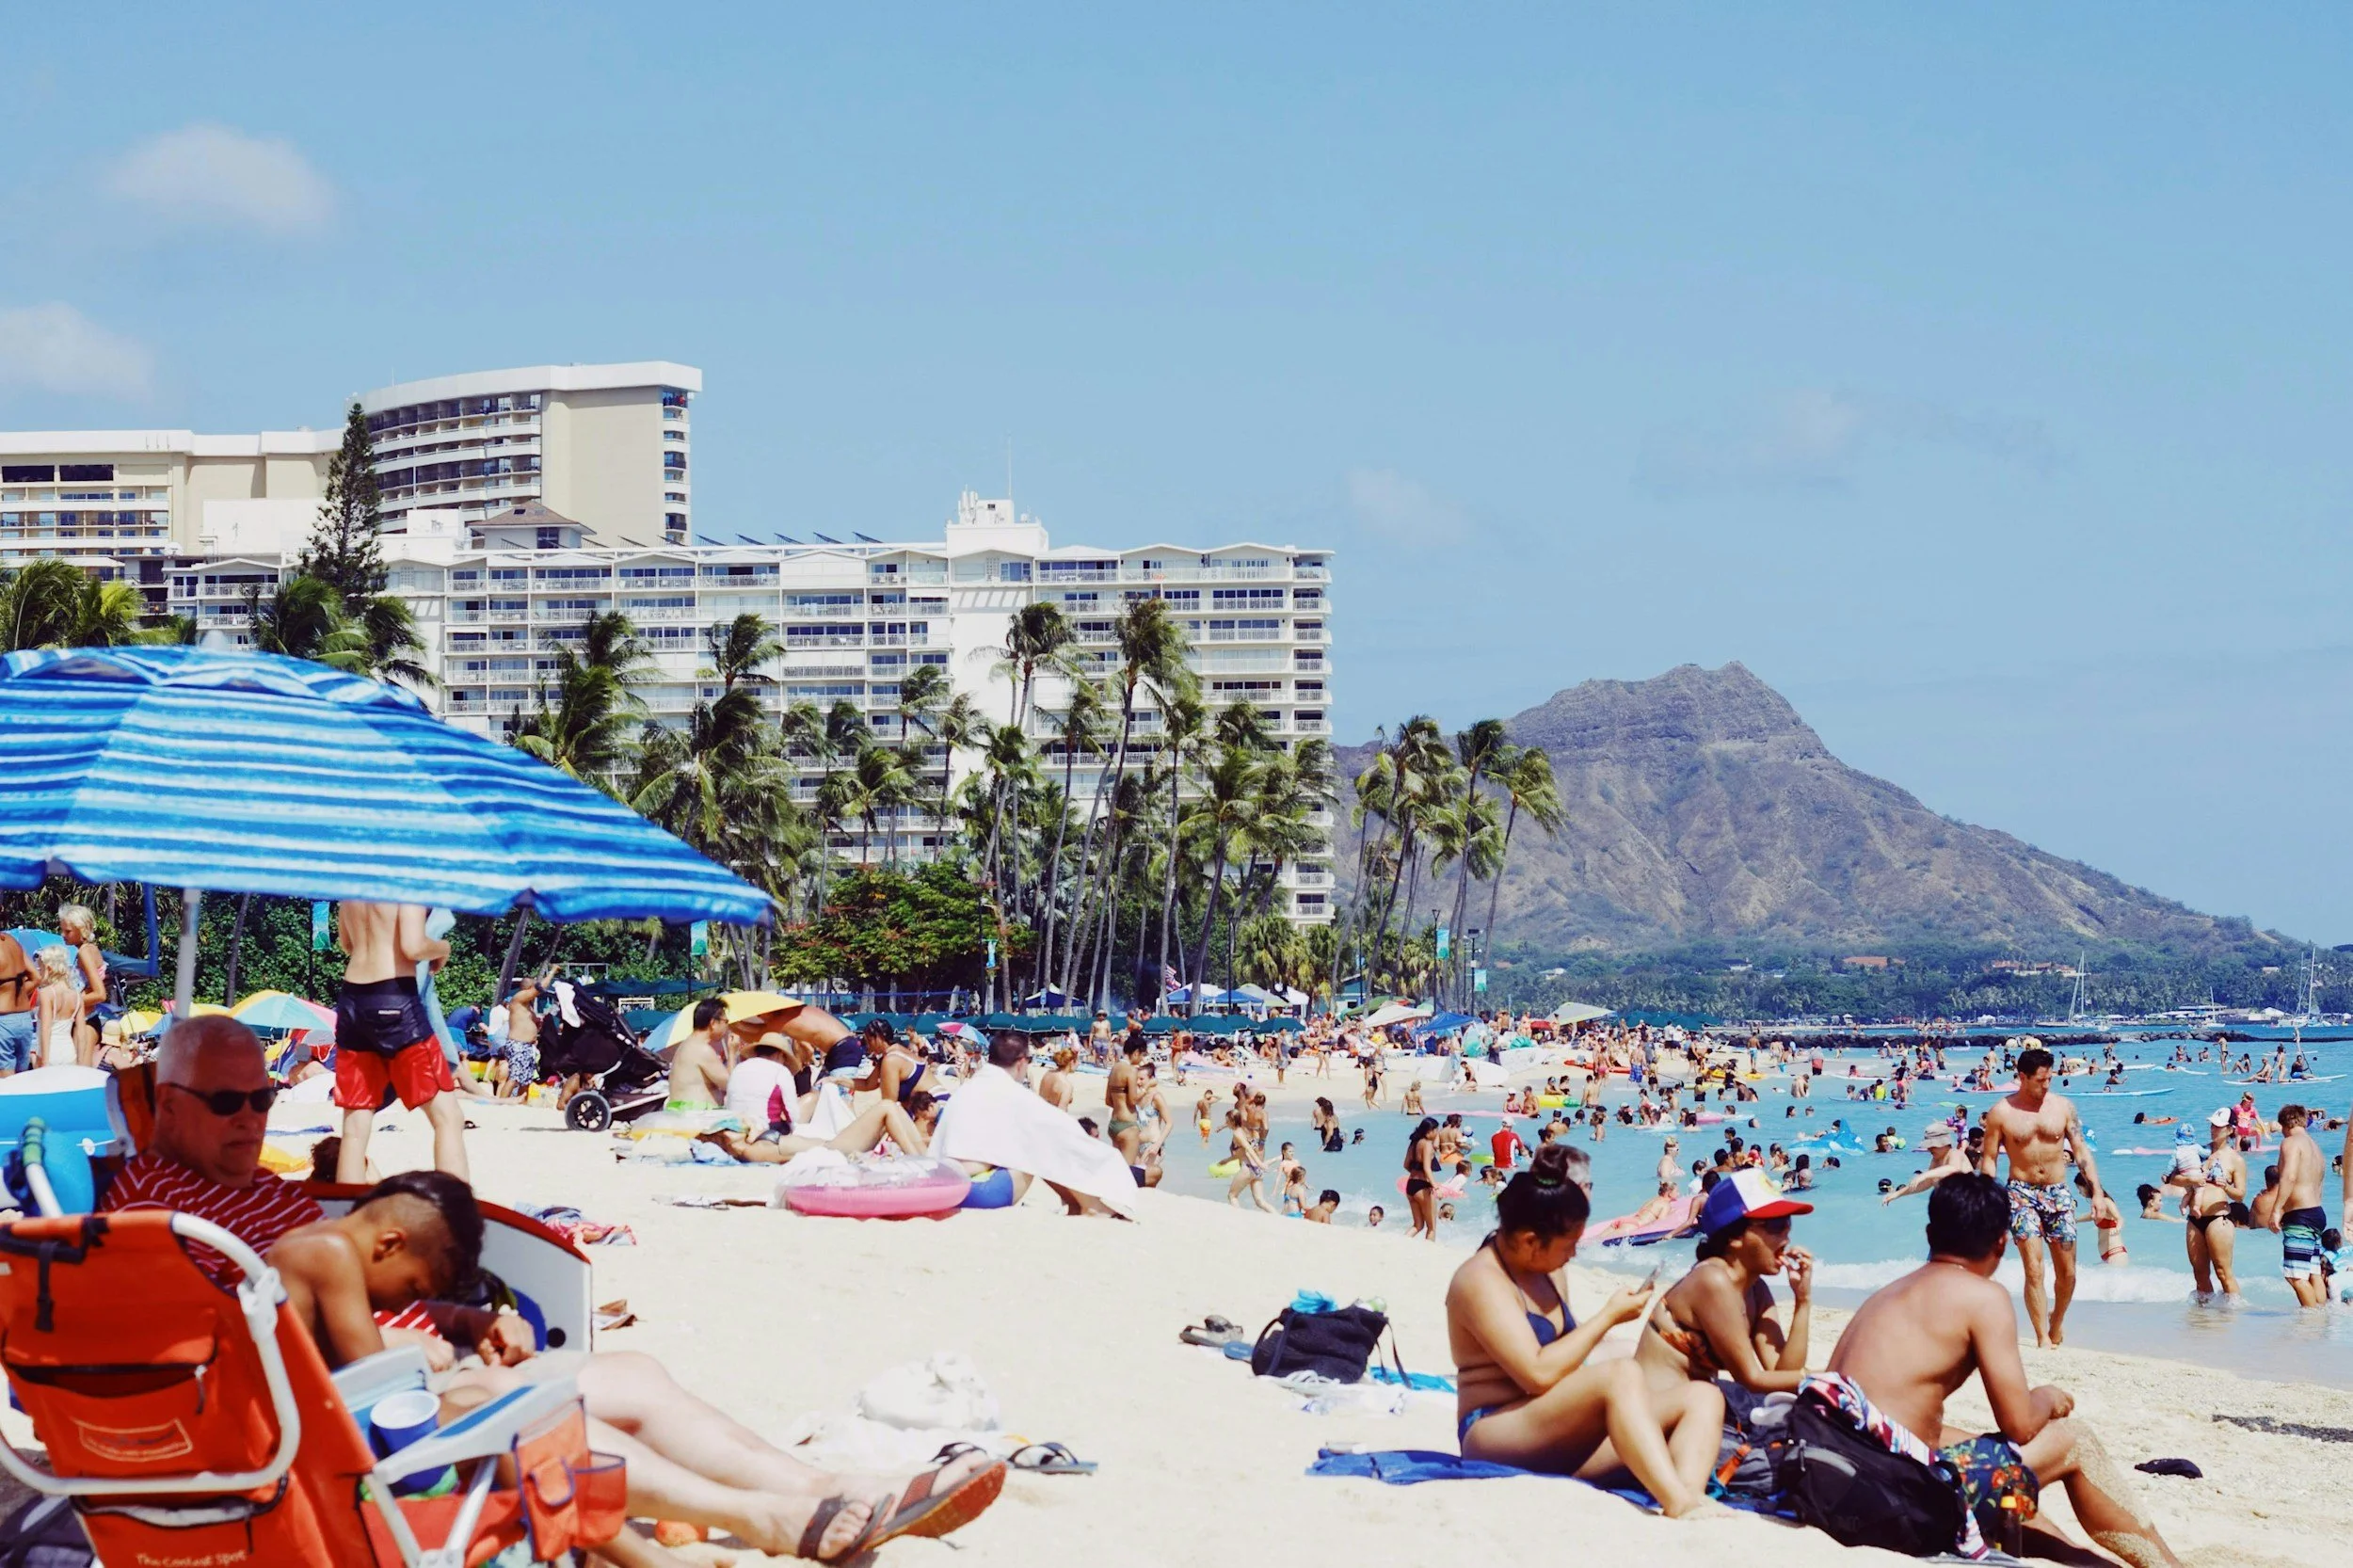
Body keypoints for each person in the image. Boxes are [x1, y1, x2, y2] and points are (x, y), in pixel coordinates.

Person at [1818, 1175, 2184, 1566]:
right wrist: (2048, 1397)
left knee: (1989, 1460)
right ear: (2002, 1242)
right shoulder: (1982, 1297)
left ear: (1930, 1233)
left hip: (1835, 1484)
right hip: (1892, 1498)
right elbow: (2020, 1425)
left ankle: (2084, 1561)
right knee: (2074, 1440)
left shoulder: (1888, 1294)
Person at [1445, 1144, 1723, 1516]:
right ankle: (1677, 1501)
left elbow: (1571, 1350)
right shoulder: (1480, 1280)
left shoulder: (1549, 1267)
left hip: (1558, 1428)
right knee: (1619, 1375)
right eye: (1570, 1244)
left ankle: (1687, 1496)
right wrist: (1607, 1316)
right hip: (1497, 1432)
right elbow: (1537, 1373)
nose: (1574, 1254)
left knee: (1701, 1396)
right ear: (1530, 1241)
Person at [1636, 1168, 1814, 1397]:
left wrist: (1803, 1300)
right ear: (1735, 1237)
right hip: (1649, 1408)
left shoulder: (1756, 1290)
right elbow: (1751, 1379)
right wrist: (1827, 1377)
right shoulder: (1712, 1280)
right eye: (1776, 1224)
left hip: (1691, 1408)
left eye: (1787, 1222)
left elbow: (1782, 1371)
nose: (1787, 1235)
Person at [332, 901, 466, 1185]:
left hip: (352, 999)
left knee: (356, 1125)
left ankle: (348, 1212)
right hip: (393, 997)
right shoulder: (405, 881)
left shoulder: (349, 889)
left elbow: (346, 943)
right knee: (448, 1118)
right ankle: (455, 1214)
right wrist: (443, 949)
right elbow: (413, 947)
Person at [1977, 1046, 2102, 1347]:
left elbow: (2081, 1151)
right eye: (2040, 1080)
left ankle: (2056, 1322)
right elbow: (1990, 1157)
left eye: (2050, 1079)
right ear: (2022, 1077)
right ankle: (2042, 1337)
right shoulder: (2001, 1112)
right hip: (2020, 1193)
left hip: (2058, 1192)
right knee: (2033, 1267)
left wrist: (2096, 1192)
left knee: (2068, 1273)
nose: (2046, 1085)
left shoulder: (2063, 1108)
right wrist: (1986, 1195)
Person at [2172, 1109, 2247, 1304]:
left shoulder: (2235, 1159)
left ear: (2230, 1130)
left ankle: (2233, 1317)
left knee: (2223, 1272)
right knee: (2199, 1274)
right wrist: (2190, 1178)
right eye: (2212, 1125)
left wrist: (2226, 1186)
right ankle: (2204, 1321)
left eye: (2219, 1126)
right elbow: (2173, 1178)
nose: (2213, 1129)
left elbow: (2240, 1195)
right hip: (2195, 1219)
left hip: (2218, 1218)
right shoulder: (2196, 1150)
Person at [2272, 1103, 2329, 1307]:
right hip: (2316, 1213)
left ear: (2284, 1124)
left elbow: (2289, 1176)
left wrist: (2277, 1209)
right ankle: (2324, 1317)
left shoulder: (2291, 1142)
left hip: (2299, 1216)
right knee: (2313, 1272)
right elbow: (2320, 1183)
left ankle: (2312, 1322)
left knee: (2295, 1276)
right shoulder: (2315, 1147)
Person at [56, 903, 107, 1063]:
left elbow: (100, 994)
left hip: (85, 1022)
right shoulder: (91, 949)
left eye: (68, 931)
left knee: (80, 1073)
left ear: (82, 929)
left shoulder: (84, 952)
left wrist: (67, 1002)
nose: (63, 935)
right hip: (88, 1019)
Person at [665, 997, 732, 1111]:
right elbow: (730, 1084)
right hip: (698, 1117)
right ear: (713, 1023)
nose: (727, 1026)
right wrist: (732, 1052)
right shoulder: (702, 1049)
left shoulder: (686, 1045)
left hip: (683, 1114)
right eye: (726, 1021)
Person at [1881, 1123, 1970, 1205]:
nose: (1929, 1149)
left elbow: (1953, 1169)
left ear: (1944, 1143)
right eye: (1928, 1146)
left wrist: (1925, 1175)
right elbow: (1925, 1183)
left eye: (1933, 1146)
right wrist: (1897, 1194)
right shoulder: (1936, 1160)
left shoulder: (1955, 1153)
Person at [32, 946, 80, 1072]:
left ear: (49, 969)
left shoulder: (46, 993)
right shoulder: (76, 995)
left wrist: (44, 1061)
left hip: (50, 1053)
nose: (40, 973)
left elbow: (46, 1028)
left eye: (40, 969)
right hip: (69, 1052)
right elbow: (81, 1032)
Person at [1104, 1034, 1146, 1164]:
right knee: (1128, 1172)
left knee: (1117, 1168)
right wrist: (1145, 1089)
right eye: (1142, 1055)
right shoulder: (1131, 1070)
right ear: (1136, 1052)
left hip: (1114, 1124)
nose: (1142, 1059)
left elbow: (1108, 1100)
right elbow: (1133, 1101)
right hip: (1127, 1125)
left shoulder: (1115, 1068)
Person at [0, 932, 35, 1077]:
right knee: (22, 1082)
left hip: (3, 1022)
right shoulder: (12, 941)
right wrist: (16, 993)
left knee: (6, 1088)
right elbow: (36, 977)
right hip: (24, 1019)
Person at [2076, 1171, 2127, 1265]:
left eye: (2080, 1188)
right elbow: (2092, 1216)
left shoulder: (2106, 1201)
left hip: (2116, 1253)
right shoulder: (2097, 1204)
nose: (2079, 1192)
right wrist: (2076, 1220)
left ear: (2087, 1186)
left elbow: (2120, 1218)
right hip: (2107, 1256)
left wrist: (2117, 1228)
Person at [1404, 1115, 1440, 1240]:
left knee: (1418, 1225)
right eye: (1436, 1130)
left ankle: (1401, 1242)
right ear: (1430, 1131)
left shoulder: (1414, 1143)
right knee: (1431, 1228)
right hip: (1423, 1187)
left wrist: (1416, 1174)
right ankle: (1430, 1252)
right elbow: (1427, 1168)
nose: (1437, 1134)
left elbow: (1406, 1165)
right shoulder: (1427, 1144)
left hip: (1411, 1185)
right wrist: (1435, 1185)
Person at [1038, 1045, 1079, 1112]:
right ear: (1072, 1062)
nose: (1078, 1063)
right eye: (1077, 1061)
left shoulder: (1048, 1073)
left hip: (1040, 1113)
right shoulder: (1066, 1085)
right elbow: (1061, 1112)